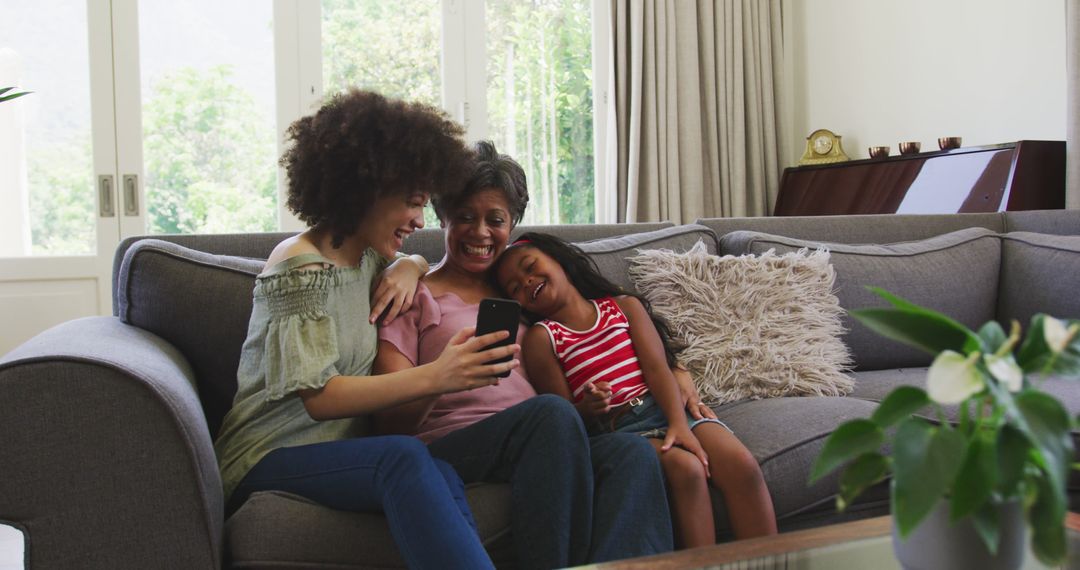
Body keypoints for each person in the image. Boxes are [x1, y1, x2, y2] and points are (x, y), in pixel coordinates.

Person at [213, 89, 516, 570]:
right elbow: (321, 397)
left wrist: (412, 264)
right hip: (265, 457)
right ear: (368, 191)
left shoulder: (372, 258)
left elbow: (414, 257)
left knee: (438, 469)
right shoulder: (299, 266)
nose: (420, 220)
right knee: (403, 458)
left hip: (339, 456)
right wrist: (439, 375)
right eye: (413, 203)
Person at [374, 140, 674, 568]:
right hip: (454, 445)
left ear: (512, 224)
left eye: (494, 220)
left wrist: (677, 373)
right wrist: (444, 374)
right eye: (464, 217)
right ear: (442, 218)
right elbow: (389, 422)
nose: (480, 232)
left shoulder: (524, 292)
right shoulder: (412, 295)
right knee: (549, 414)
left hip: (549, 443)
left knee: (633, 454)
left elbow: (607, 330)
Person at [493, 232, 778, 548]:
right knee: (687, 470)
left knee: (743, 465)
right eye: (515, 288)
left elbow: (658, 370)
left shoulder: (624, 307)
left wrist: (680, 425)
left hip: (668, 407)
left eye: (530, 266)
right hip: (622, 430)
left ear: (557, 259)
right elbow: (562, 417)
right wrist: (588, 406)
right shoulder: (541, 338)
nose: (527, 282)